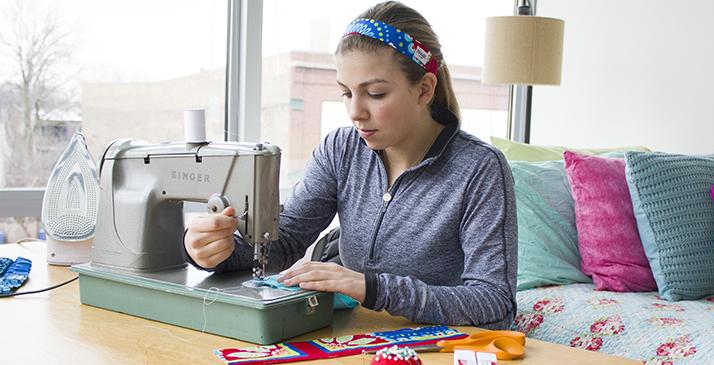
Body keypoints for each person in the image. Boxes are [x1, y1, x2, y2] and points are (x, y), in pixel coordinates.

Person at [184, 1, 518, 329]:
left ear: (424, 89)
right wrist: (211, 249)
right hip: (355, 338)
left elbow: (494, 303)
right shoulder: (341, 149)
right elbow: (283, 243)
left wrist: (373, 287)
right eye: (346, 93)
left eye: (374, 93)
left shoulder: (480, 169)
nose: (355, 112)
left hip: (440, 350)